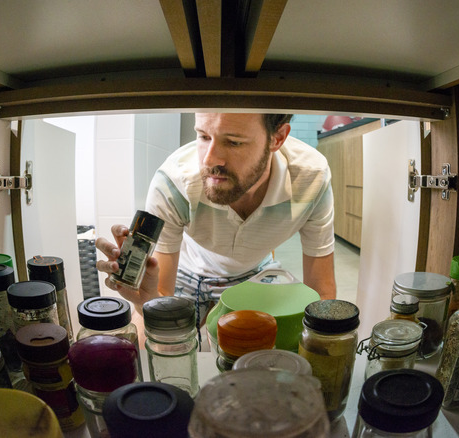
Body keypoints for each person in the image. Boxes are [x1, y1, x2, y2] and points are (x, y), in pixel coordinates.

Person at [96, 113, 336, 338]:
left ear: (277, 138)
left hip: (252, 272)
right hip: (186, 271)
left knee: (259, 349)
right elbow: (159, 297)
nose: (209, 160)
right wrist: (142, 299)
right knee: (147, 340)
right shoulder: (175, 181)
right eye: (203, 136)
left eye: (233, 142)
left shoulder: (311, 178)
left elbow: (321, 295)